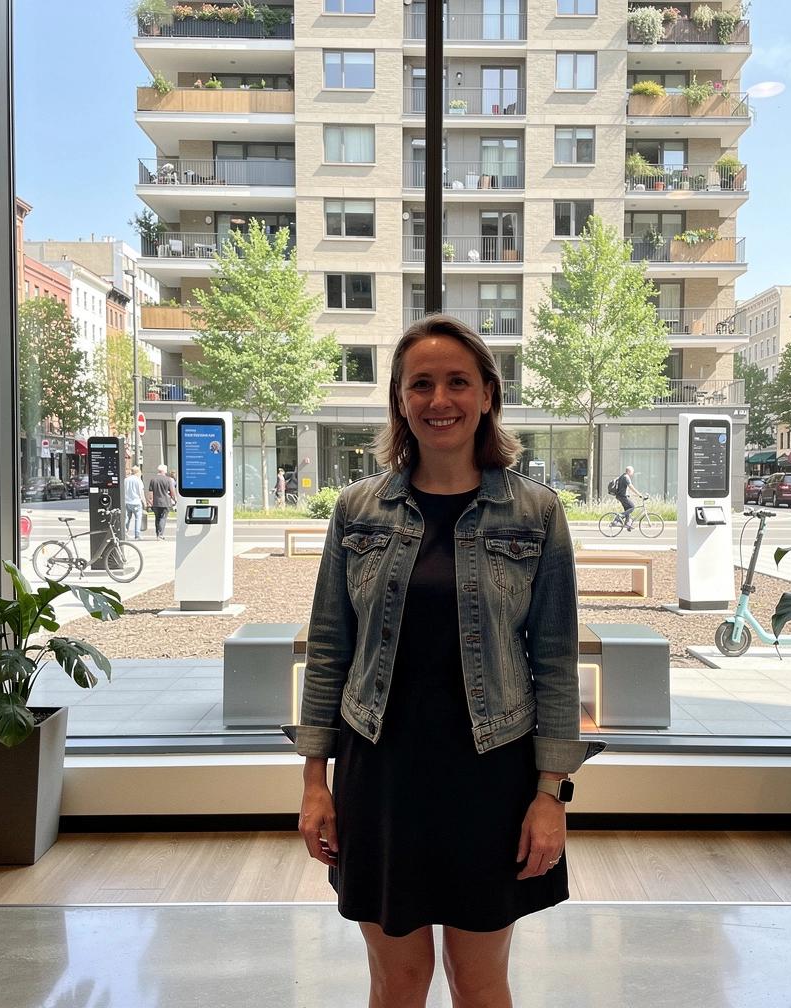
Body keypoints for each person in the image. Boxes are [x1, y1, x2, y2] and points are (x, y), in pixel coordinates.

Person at [292, 315, 601, 1008]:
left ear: (489, 394)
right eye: (421, 384)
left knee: (480, 981)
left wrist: (551, 796)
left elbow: (554, 660)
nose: (440, 400)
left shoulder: (535, 514)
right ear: (400, 401)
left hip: (490, 776)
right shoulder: (357, 511)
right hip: (381, 773)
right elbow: (328, 653)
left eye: (458, 382)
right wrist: (316, 782)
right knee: (397, 982)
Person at [147, 464, 176, 540]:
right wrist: (174, 499)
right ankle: (160, 534)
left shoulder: (153, 480)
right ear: (164, 471)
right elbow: (172, 491)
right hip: (165, 502)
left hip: (156, 502)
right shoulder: (168, 479)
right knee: (163, 518)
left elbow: (150, 492)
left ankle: (157, 534)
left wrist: (151, 501)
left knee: (157, 518)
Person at [123, 465, 145, 541]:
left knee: (127, 518)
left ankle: (124, 532)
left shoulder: (126, 480)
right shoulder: (138, 480)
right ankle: (137, 535)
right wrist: (144, 502)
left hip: (127, 501)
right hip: (136, 502)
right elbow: (141, 492)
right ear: (138, 472)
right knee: (138, 518)